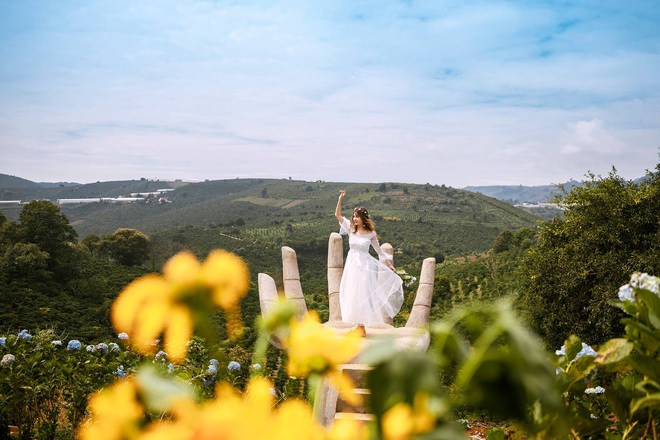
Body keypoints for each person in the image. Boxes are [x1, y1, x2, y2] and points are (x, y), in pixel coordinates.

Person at [335, 190, 404, 326]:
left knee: (363, 293)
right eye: (354, 216)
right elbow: (337, 215)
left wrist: (389, 265)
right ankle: (352, 324)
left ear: (363, 219)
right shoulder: (351, 229)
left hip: (364, 266)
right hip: (352, 265)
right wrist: (340, 199)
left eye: (357, 217)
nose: (354, 219)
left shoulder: (371, 233)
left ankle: (362, 325)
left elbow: (379, 252)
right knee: (351, 292)